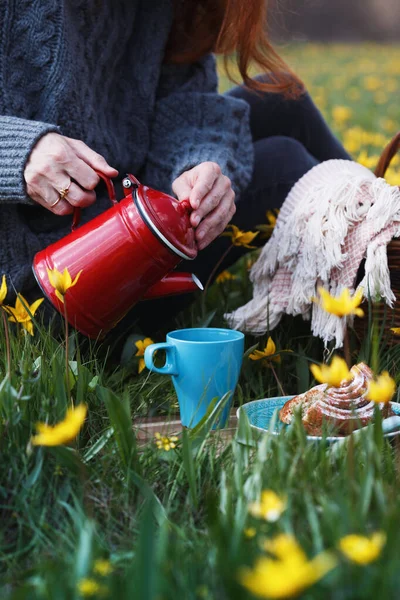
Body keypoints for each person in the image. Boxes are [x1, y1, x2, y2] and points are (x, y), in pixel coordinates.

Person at [0, 0, 350, 335]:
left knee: (284, 98)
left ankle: (386, 244)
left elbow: (184, 102)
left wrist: (199, 164)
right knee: (286, 165)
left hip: (127, 204)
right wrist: (18, 153)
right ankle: (363, 306)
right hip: (50, 286)